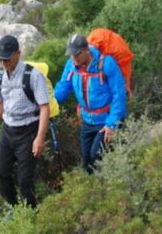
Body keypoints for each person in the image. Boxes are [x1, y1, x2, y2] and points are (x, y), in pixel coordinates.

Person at [0, 35, 50, 208]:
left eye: (7, 58)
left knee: (24, 179)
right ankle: (15, 209)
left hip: (29, 130)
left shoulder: (33, 76)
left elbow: (44, 107)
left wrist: (40, 138)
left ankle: (30, 213)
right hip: (8, 130)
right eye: (0, 58)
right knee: (0, 172)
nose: (3, 62)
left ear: (18, 53)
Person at [54, 34, 127, 173]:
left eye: (77, 54)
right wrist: (45, 102)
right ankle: (95, 192)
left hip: (105, 121)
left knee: (96, 158)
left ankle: (113, 189)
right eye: (71, 55)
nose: (74, 58)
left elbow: (119, 95)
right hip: (87, 121)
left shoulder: (106, 64)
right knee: (87, 162)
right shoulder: (71, 65)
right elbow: (63, 89)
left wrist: (112, 124)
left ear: (87, 50)